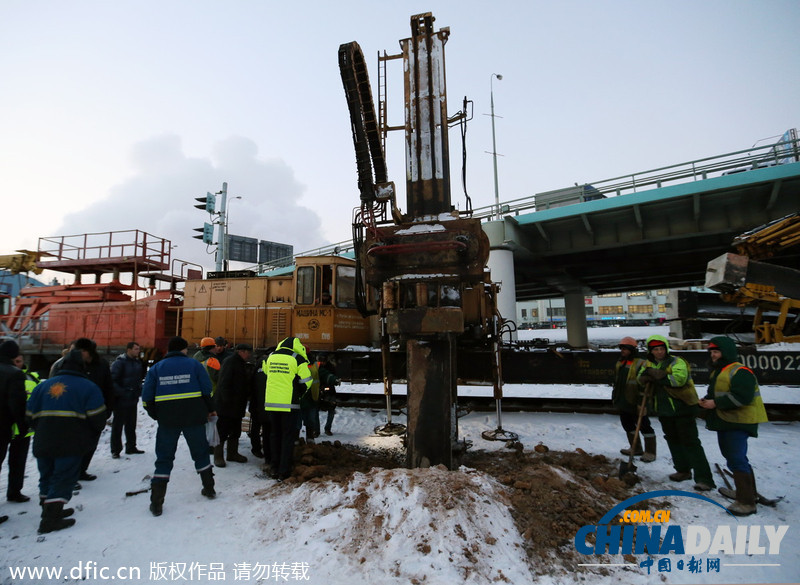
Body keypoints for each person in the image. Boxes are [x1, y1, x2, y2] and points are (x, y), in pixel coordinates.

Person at [26, 349, 106, 533]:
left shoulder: (42, 387)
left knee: (46, 476)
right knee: (63, 478)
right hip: (70, 442)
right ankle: (50, 519)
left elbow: (29, 415)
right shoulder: (88, 387)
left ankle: (49, 509)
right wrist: (90, 434)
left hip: (43, 441)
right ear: (83, 367)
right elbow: (97, 418)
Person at [142, 336, 217, 516]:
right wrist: (209, 409)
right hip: (194, 418)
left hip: (168, 420)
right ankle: (209, 488)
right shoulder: (195, 365)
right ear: (184, 349)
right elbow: (207, 390)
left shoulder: (156, 368)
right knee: (200, 452)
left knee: (164, 459)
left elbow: (146, 398)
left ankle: (157, 502)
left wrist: (157, 415)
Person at [699, 336, 768, 516]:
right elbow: (716, 393)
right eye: (711, 352)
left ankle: (746, 502)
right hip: (727, 420)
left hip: (739, 421)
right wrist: (707, 401)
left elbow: (742, 397)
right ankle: (748, 493)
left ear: (726, 352)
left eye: (716, 351)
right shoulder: (719, 371)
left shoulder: (741, 371)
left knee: (736, 458)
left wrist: (715, 403)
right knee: (732, 456)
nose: (713, 355)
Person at [637, 335, 714, 491]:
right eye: (655, 350)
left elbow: (678, 380)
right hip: (664, 410)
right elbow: (640, 378)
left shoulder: (677, 362)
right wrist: (645, 377)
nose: (659, 352)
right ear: (651, 351)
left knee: (691, 442)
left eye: (661, 349)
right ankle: (683, 470)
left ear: (666, 349)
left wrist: (658, 375)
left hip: (683, 407)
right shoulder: (648, 364)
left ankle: (704, 478)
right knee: (673, 440)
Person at [264, 336, 312, 481]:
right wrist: (299, 393)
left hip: (271, 403)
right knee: (287, 437)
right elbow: (307, 381)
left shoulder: (271, 356)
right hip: (289, 404)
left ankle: (274, 466)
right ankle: (284, 470)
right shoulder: (297, 359)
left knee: (275, 435)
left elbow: (267, 373)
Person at [612, 337, 656, 462]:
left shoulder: (641, 363)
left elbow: (644, 385)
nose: (622, 351)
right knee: (627, 424)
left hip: (636, 400)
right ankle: (636, 448)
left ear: (632, 350)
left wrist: (643, 402)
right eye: (622, 349)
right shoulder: (620, 363)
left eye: (625, 349)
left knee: (644, 425)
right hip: (623, 400)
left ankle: (650, 451)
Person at [0, 340, 28, 524]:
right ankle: (14, 493)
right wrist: (23, 426)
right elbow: (16, 404)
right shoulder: (15, 374)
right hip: (4, 425)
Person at [7, 353, 40, 503]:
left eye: (19, 361)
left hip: (24, 428)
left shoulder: (32, 377)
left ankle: (15, 491)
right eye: (15, 361)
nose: (18, 363)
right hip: (6, 425)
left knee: (18, 463)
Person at [213, 343, 254, 467]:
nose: (249, 355)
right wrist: (226, 402)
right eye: (248, 352)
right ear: (241, 351)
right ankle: (218, 456)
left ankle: (232, 453)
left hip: (237, 404)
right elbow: (224, 383)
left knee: (235, 430)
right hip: (227, 405)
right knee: (222, 430)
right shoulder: (231, 362)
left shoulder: (240, 363)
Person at [109, 341, 145, 458]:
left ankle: (131, 446)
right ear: (128, 349)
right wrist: (122, 392)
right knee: (118, 425)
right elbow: (112, 381)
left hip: (132, 399)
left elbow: (138, 379)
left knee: (131, 424)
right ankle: (115, 450)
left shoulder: (137, 363)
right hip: (121, 400)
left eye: (138, 349)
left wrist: (138, 390)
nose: (138, 351)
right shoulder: (119, 363)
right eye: (135, 349)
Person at [317, 354, 339, 436]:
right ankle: (318, 430)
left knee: (331, 410)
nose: (321, 363)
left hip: (328, 391)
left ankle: (326, 429)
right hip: (322, 391)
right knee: (317, 411)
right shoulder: (329, 367)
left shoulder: (329, 367)